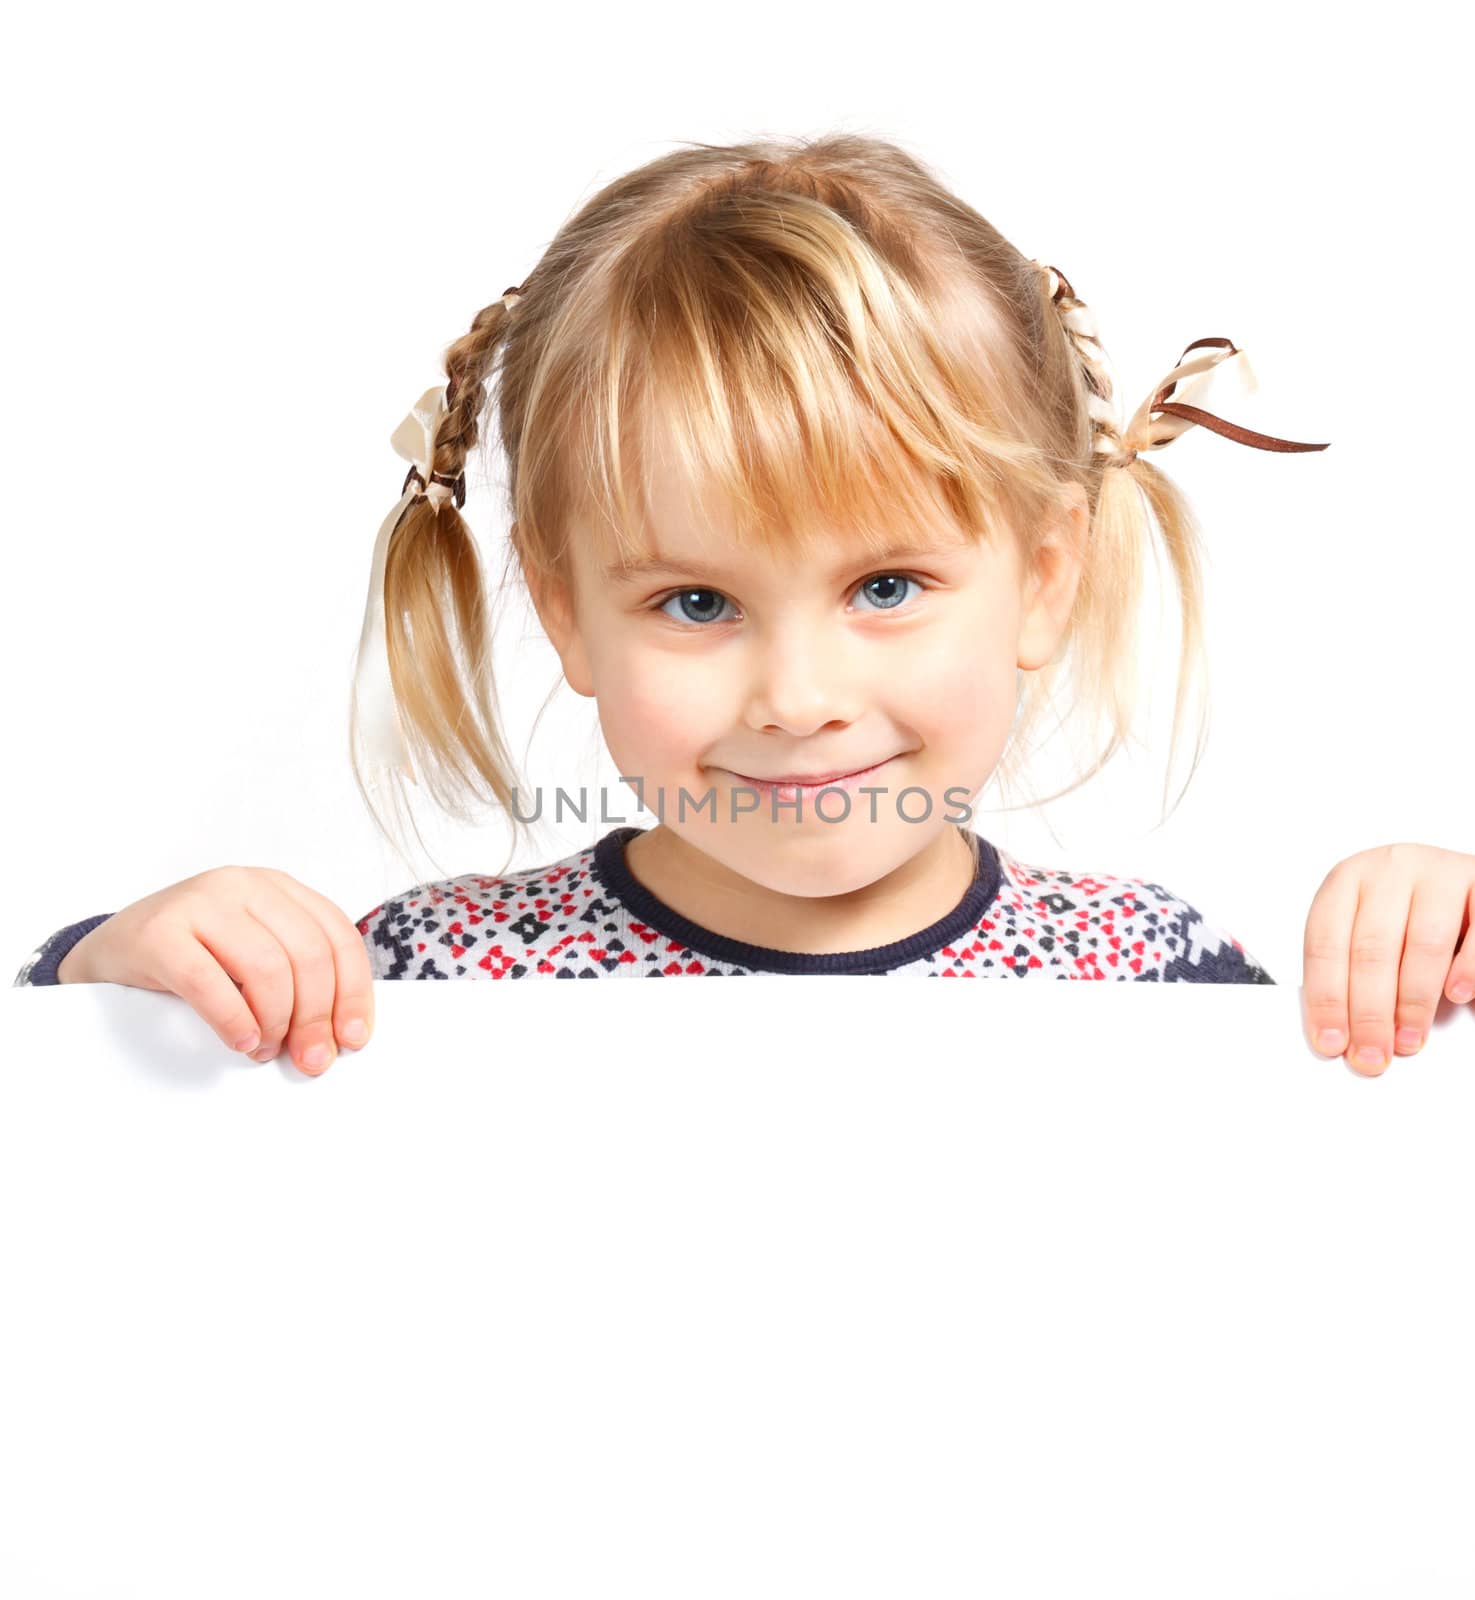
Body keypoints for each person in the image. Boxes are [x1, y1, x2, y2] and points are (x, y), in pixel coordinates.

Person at [15, 133, 1475, 1082]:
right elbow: (90, 1141)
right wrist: (118, 968)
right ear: (568, 614)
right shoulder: (421, 989)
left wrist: (1435, 955)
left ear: (1042, 577)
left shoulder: (1152, 981)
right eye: (698, 600)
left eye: (887, 587)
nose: (797, 695)